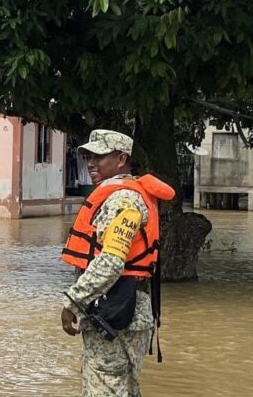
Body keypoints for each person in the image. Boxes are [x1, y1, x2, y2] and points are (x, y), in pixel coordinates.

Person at [60, 129, 175, 396]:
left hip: (115, 315)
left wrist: (73, 302)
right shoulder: (128, 195)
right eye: (88, 157)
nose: (91, 163)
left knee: (105, 387)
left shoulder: (122, 201)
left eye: (99, 157)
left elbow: (111, 262)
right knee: (126, 388)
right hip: (130, 313)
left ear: (121, 159)